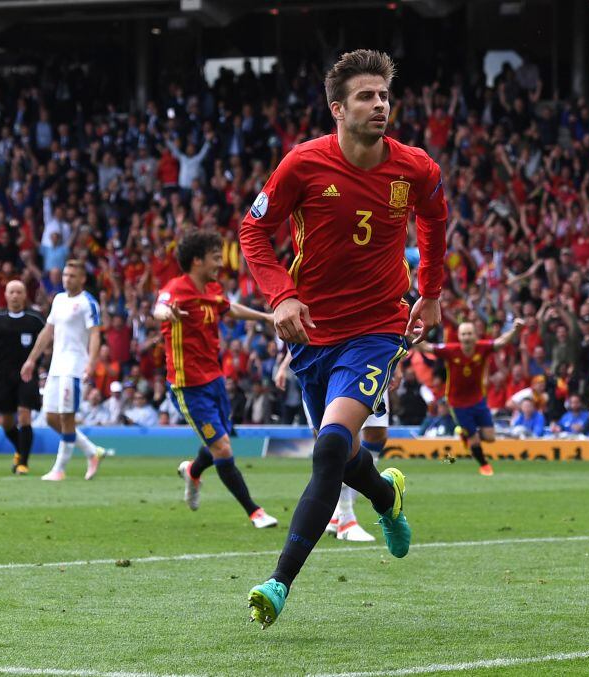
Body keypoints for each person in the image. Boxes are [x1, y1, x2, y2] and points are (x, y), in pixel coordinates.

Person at [240, 49, 446, 628]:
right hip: (311, 332)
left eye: (384, 95)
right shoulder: (302, 165)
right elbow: (253, 229)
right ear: (337, 108)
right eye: (366, 96)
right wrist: (281, 294)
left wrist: (428, 292)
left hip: (380, 326)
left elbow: (435, 220)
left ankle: (278, 583)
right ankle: (386, 497)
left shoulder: (415, 168)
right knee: (345, 454)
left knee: (329, 447)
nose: (379, 105)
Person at [156, 230, 278, 529]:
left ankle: (193, 472)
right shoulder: (177, 289)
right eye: (214, 257)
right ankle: (254, 511)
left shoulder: (211, 288)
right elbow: (159, 308)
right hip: (188, 386)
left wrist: (264, 317)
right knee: (222, 447)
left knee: (220, 440)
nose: (220, 262)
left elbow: (228, 308)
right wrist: (167, 313)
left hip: (214, 379)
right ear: (196, 260)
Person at [20, 260, 112, 481]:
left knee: (66, 417)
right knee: (51, 417)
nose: (66, 279)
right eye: (65, 274)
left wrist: (91, 363)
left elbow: (95, 334)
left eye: (72, 275)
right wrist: (31, 360)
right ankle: (92, 452)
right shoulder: (59, 300)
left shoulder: (88, 303)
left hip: (74, 366)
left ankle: (59, 469)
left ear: (82, 279)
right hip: (56, 366)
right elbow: (47, 331)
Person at [275, 349, 377, 542]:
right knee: (332, 445)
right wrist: (283, 366)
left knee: (371, 436)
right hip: (317, 362)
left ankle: (348, 510)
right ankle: (346, 515)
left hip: (361, 350)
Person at [416, 319, 524, 475]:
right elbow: (425, 347)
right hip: (458, 403)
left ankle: (464, 434)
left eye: (469, 333)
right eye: (463, 334)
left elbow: (501, 342)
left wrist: (516, 330)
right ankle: (484, 465)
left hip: (478, 400)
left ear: (475, 335)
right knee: (473, 438)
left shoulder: (483, 348)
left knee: (490, 437)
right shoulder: (450, 350)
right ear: (459, 336)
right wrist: (409, 333)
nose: (466, 337)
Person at [0, 280, 44, 474]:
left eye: (19, 292)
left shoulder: (35, 319)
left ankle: (23, 463)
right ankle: (19, 450)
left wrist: (38, 365)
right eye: (12, 292)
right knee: (6, 421)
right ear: (6, 295)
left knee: (24, 416)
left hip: (26, 375)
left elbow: (45, 342)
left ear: (25, 295)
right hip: (2, 376)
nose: (15, 295)